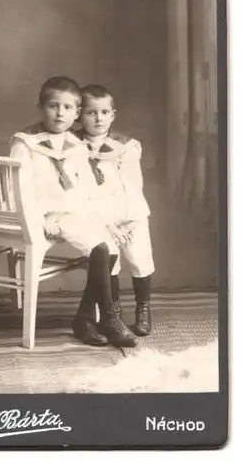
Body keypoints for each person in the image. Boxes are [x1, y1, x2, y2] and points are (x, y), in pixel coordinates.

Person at [10, 76, 138, 348]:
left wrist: (105, 223)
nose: (60, 113)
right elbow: (19, 191)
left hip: (69, 214)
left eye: (68, 108)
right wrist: (43, 217)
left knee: (106, 247)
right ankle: (107, 319)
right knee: (101, 249)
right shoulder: (25, 142)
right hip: (37, 215)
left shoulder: (76, 145)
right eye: (53, 106)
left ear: (77, 113)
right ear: (40, 107)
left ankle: (89, 318)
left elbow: (85, 191)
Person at [76, 84, 155, 336]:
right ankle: (114, 309)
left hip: (130, 214)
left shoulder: (126, 146)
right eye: (91, 112)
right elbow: (82, 192)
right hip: (98, 217)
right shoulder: (72, 146)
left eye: (104, 112)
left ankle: (143, 306)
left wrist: (129, 221)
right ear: (79, 114)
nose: (98, 118)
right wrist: (106, 223)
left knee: (138, 257)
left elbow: (133, 186)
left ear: (113, 114)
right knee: (109, 262)